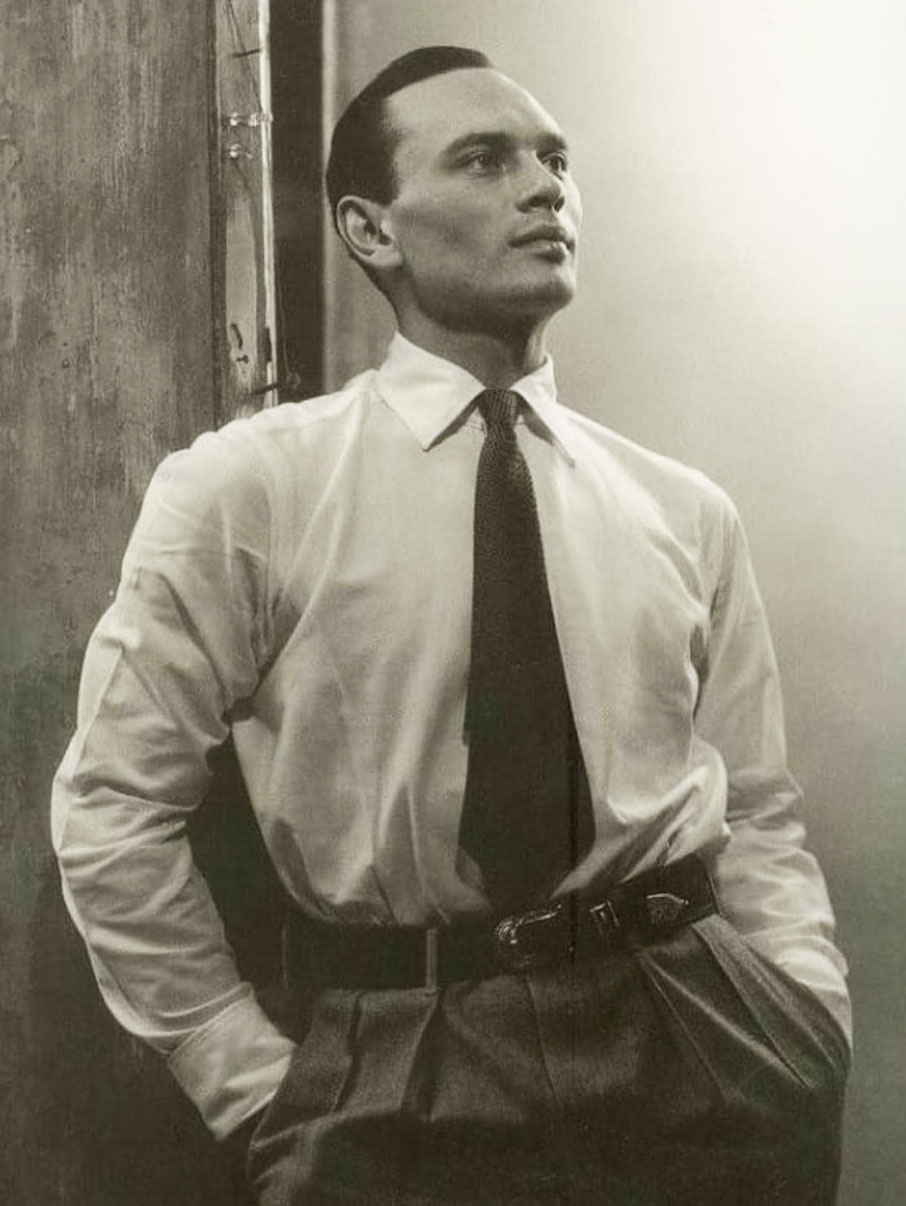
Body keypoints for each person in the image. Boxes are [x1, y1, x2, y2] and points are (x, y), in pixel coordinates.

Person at [52, 45, 851, 1205]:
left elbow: (759, 806)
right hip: (406, 1055)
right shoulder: (249, 489)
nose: (544, 190)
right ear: (371, 230)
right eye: (484, 160)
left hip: (699, 1037)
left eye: (555, 161)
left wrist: (801, 1006)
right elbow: (113, 806)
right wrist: (255, 1087)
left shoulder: (680, 509)